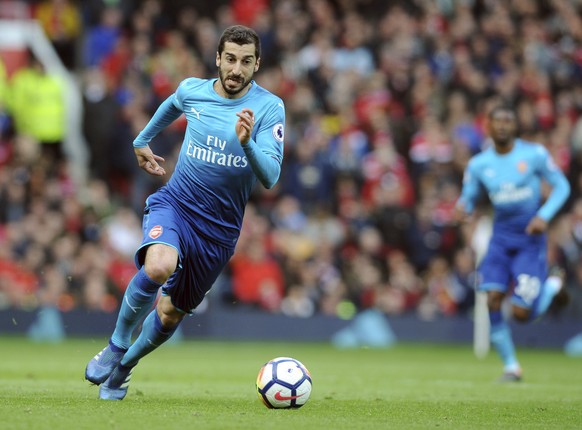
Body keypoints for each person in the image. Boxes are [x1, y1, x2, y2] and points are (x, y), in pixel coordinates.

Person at [85, 25, 285, 400]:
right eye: (229, 59)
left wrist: (247, 144)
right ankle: (115, 345)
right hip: (176, 204)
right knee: (158, 265)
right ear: (218, 59)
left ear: (257, 64)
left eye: (245, 62)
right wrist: (142, 140)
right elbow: (173, 103)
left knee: (169, 314)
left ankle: (125, 366)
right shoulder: (194, 89)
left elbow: (271, 177)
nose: (235, 69)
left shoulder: (269, 107)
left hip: (219, 232)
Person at [455, 104, 570, 382]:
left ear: (515, 126)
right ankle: (511, 367)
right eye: (498, 121)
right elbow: (468, 197)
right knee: (492, 298)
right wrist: (462, 208)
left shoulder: (534, 155)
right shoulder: (479, 164)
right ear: (489, 127)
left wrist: (543, 215)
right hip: (499, 241)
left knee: (521, 314)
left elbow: (562, 186)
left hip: (529, 242)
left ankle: (551, 286)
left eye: (509, 120)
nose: (504, 125)